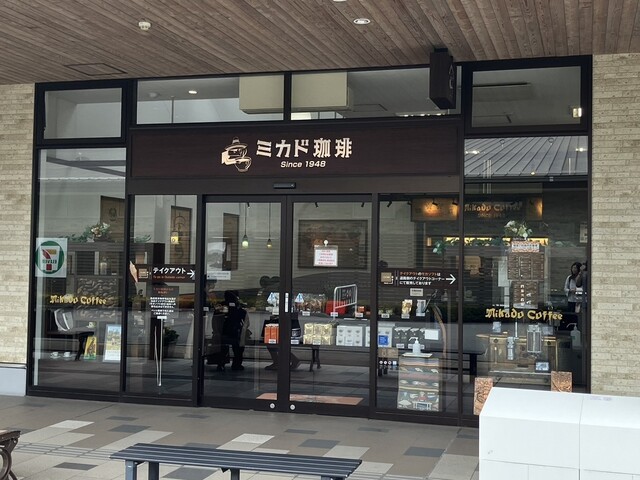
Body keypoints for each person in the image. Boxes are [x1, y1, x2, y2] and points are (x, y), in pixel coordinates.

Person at [222, 290, 249, 371]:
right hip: (236, 331)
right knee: (238, 349)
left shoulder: (222, 306)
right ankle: (236, 364)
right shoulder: (239, 308)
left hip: (224, 330)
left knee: (223, 347)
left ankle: (221, 363)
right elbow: (246, 321)